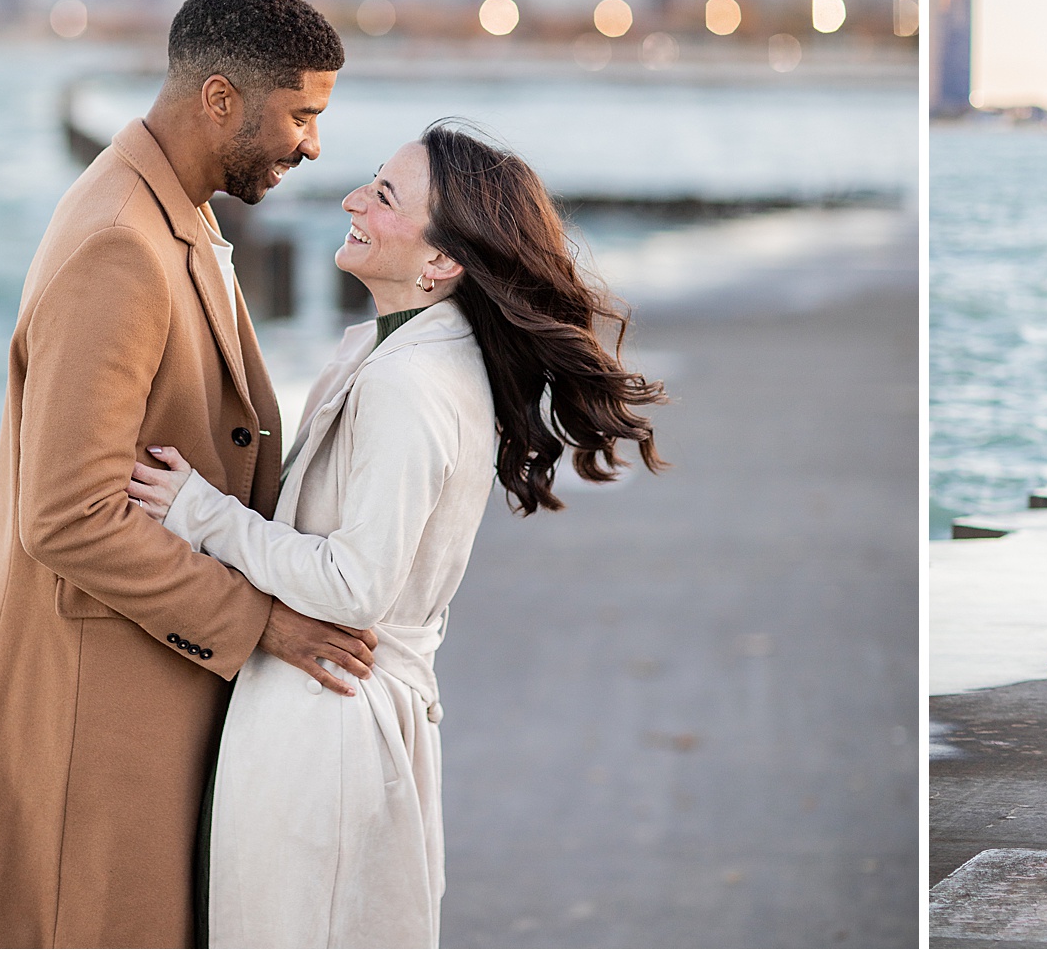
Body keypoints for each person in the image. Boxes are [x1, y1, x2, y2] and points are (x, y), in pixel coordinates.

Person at [126, 121, 666, 947]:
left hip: (329, 722)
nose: (352, 199)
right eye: (369, 183)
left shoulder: (409, 385)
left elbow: (355, 587)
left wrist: (198, 512)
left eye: (384, 196)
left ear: (441, 262)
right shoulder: (410, 357)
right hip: (337, 714)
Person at [0, 0, 374, 947]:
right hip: (89, 738)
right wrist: (261, 621)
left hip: (134, 717)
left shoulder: (169, 212)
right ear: (221, 98)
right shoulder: (119, 246)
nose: (312, 144)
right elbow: (70, 513)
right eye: (300, 114)